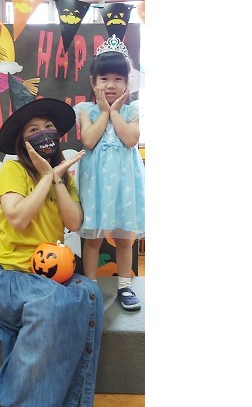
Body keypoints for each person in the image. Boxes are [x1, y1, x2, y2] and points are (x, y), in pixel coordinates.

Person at [0, 74, 103, 407]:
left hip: (47, 272)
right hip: (6, 274)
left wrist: (57, 178)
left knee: (90, 293)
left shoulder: (64, 178)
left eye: (48, 127)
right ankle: (13, 400)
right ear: (23, 143)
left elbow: (73, 222)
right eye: (33, 130)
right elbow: (18, 218)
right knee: (53, 301)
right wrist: (46, 177)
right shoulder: (14, 171)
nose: (43, 133)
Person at [74, 34, 146, 311]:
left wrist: (115, 112)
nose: (111, 84)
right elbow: (89, 140)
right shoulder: (86, 111)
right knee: (93, 238)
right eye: (104, 78)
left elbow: (130, 139)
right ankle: (90, 286)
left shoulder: (132, 110)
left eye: (118, 78)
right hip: (95, 183)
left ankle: (125, 286)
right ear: (93, 82)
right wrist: (104, 111)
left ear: (128, 83)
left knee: (124, 238)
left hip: (125, 185)